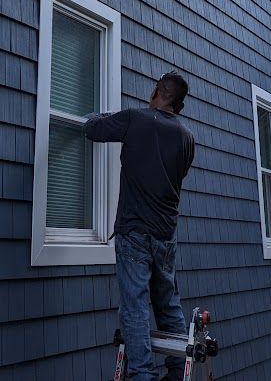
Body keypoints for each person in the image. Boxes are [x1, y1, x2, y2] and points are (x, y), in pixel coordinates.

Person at [83, 72, 195, 380]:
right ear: (180, 105)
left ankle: (142, 376)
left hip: (135, 232)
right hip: (166, 234)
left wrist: (100, 114)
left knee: (134, 306)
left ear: (157, 91)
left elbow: (92, 129)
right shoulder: (186, 137)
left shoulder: (136, 119)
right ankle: (176, 373)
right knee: (169, 305)